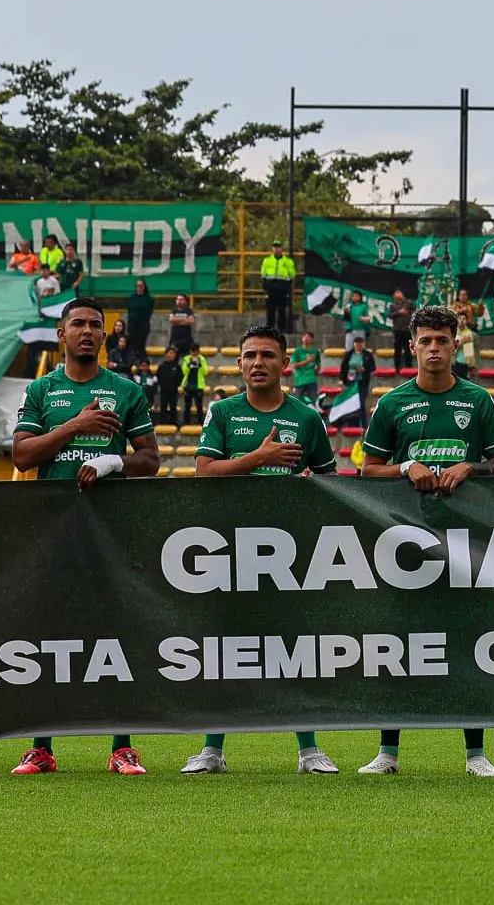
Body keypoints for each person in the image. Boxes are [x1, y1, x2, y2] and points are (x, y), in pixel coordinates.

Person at [357, 305, 494, 777]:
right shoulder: (392, 403)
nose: (434, 349)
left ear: (456, 343)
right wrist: (405, 466)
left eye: (443, 340)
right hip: (404, 542)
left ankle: (476, 755)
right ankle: (387, 752)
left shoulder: (477, 401)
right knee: (397, 645)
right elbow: (368, 469)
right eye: (425, 341)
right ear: (413, 346)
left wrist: (471, 466)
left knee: (469, 645)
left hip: (466, 543)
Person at [10, 297, 161, 775]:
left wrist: (112, 460)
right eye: (77, 324)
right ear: (61, 334)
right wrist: (76, 426)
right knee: (48, 636)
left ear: (105, 335)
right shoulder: (41, 391)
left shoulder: (126, 391)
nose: (88, 331)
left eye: (96, 324)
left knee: (116, 635)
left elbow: (151, 460)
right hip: (53, 527)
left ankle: (122, 746)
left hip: (111, 528)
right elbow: (21, 456)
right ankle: (41, 747)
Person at [181, 326, 340, 777]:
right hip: (228, 548)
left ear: (284, 363)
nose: (257, 363)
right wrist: (258, 457)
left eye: (267, 355)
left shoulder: (306, 418)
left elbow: (332, 484)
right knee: (225, 647)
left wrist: (314, 488)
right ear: (238, 364)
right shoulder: (224, 412)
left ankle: (309, 750)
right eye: (249, 355)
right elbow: (205, 473)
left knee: (294, 648)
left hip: (288, 553)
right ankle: (211, 749)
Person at [340, 335, 377, 429]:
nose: (358, 346)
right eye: (356, 344)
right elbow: (343, 367)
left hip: (362, 382)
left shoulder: (367, 354)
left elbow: (373, 367)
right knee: (351, 404)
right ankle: (352, 424)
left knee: (360, 403)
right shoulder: (349, 354)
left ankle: (364, 425)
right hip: (351, 383)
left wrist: (365, 369)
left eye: (360, 344)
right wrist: (342, 380)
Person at [260, 242, 296, 331]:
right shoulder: (267, 260)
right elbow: (263, 274)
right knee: (270, 310)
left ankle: (281, 329)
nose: (276, 249)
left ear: (281, 249)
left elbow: (292, 274)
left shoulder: (287, 261)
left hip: (282, 287)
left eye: (278, 247)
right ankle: (270, 328)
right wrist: (265, 288)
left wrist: (288, 287)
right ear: (272, 249)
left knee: (282, 310)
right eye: (274, 247)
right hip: (271, 287)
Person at [181, 345, 209, 426]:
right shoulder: (186, 358)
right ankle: (186, 422)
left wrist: (199, 363)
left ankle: (200, 422)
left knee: (199, 406)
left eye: (196, 351)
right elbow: (184, 371)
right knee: (187, 406)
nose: (194, 353)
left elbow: (205, 372)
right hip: (188, 385)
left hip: (198, 386)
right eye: (193, 351)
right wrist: (189, 363)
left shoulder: (202, 359)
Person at [154, 347, 184, 425]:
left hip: (173, 391)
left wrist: (176, 385)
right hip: (164, 391)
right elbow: (158, 377)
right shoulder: (162, 366)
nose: (171, 355)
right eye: (170, 353)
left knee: (173, 408)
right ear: (166, 354)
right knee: (163, 407)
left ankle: (173, 422)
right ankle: (163, 422)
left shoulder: (177, 366)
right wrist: (163, 385)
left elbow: (181, 377)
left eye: (173, 353)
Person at [126, 279, 155, 358]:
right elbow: (129, 310)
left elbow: (149, 311)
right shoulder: (132, 297)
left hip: (143, 324)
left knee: (141, 344)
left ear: (144, 287)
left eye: (141, 286)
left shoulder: (149, 299)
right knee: (132, 343)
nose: (139, 287)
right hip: (132, 324)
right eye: (138, 286)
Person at [290, 331, 321, 402]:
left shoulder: (315, 351)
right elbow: (293, 365)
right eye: (304, 337)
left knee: (314, 401)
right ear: (302, 339)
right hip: (300, 380)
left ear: (312, 339)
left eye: (308, 337)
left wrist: (315, 371)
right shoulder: (298, 351)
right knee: (297, 402)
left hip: (311, 380)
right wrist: (308, 361)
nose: (306, 338)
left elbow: (318, 366)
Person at [388, 290, 414, 368]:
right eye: (396, 293)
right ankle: (397, 368)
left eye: (399, 293)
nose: (398, 295)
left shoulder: (409, 303)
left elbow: (415, 311)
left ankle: (408, 368)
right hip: (397, 330)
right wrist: (399, 312)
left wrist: (409, 313)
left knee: (407, 350)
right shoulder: (392, 305)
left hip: (407, 330)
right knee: (397, 350)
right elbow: (390, 315)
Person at [454, 313, 477, 381]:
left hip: (466, 362)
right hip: (454, 362)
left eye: (464, 319)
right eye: (460, 318)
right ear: (457, 320)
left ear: (466, 321)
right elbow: (452, 346)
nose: (461, 320)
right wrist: (462, 342)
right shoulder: (453, 332)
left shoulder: (470, 333)